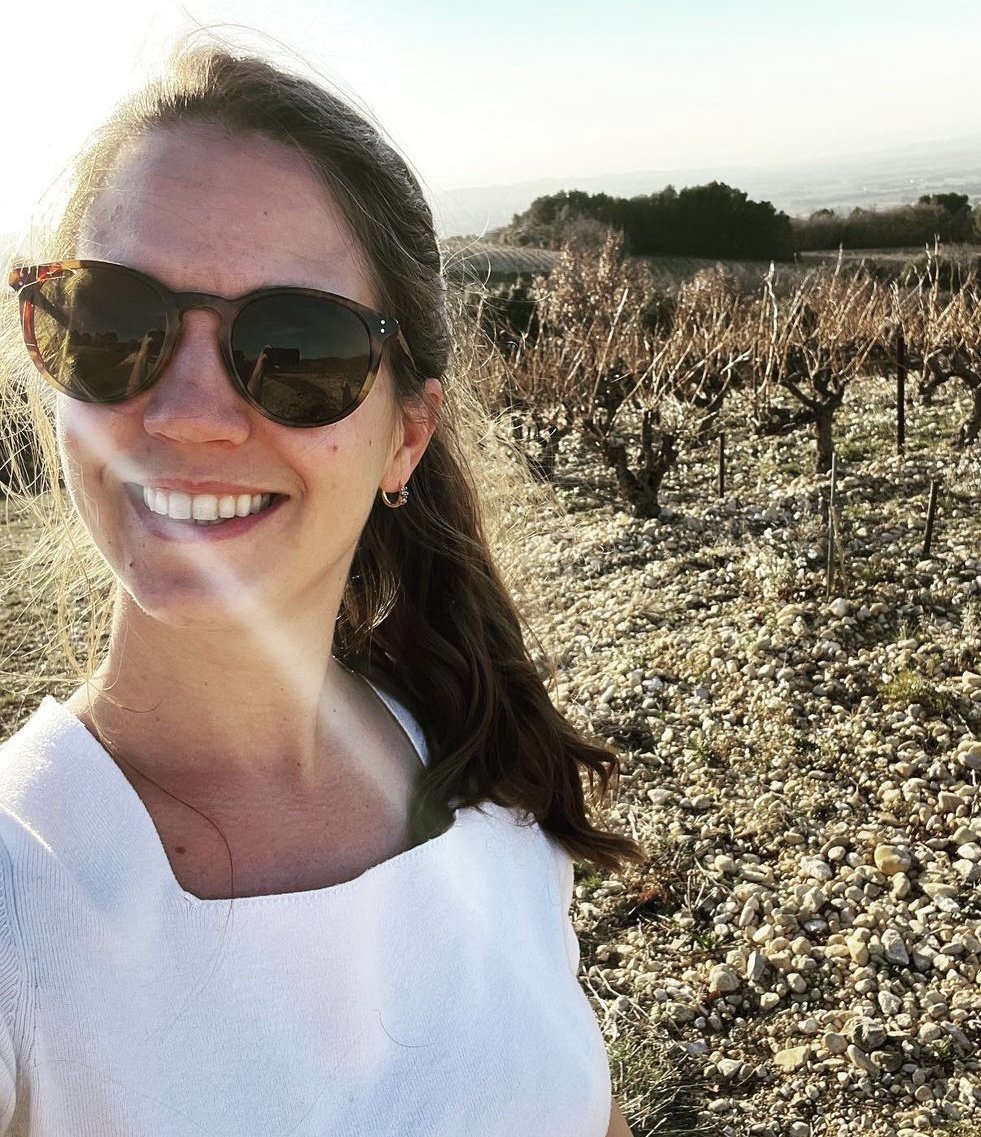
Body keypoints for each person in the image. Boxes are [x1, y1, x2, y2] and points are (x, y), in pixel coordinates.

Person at [0, 38, 643, 1137]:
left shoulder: (481, 759)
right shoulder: (21, 903)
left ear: (408, 436)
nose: (188, 412)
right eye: (112, 327)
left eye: (297, 347)